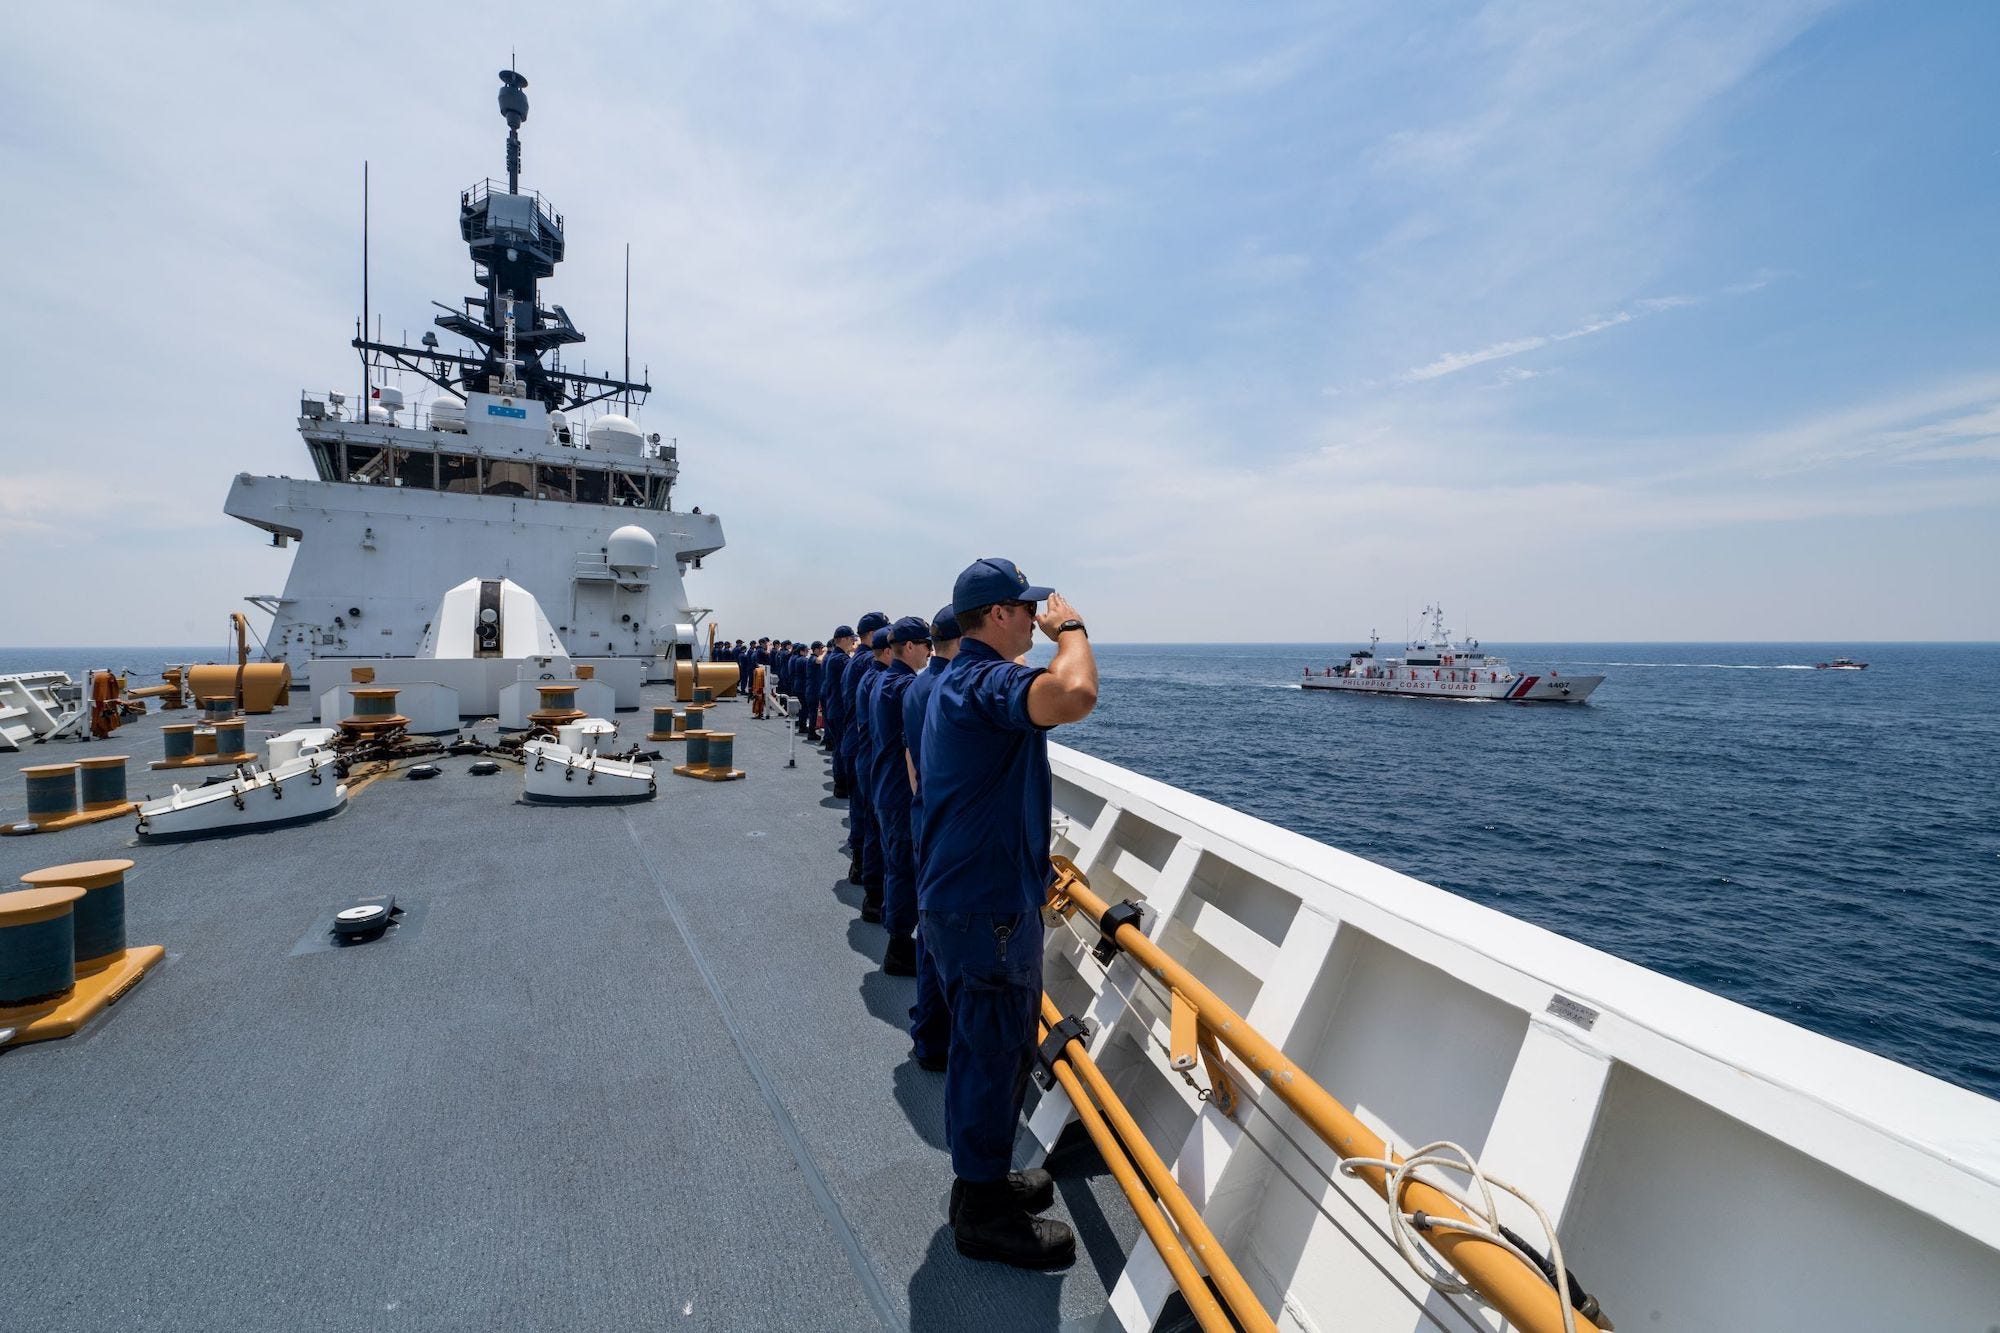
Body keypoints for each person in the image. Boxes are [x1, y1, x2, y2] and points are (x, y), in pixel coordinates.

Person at [917, 557, 1096, 1268]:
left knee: (985, 1048)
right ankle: (983, 1212)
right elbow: (1075, 692)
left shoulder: (953, 684)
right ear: (996, 616)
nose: (1034, 617)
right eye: (1024, 609)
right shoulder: (988, 681)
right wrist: (1073, 629)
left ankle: (979, 1183)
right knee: (992, 1052)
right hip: (984, 907)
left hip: (967, 897)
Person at [902, 604, 959, 1069]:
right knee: (943, 938)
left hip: (924, 817)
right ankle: (934, 1037)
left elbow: (910, 757)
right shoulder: (948, 687)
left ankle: (927, 1024)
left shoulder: (918, 685)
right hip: (947, 831)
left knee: (930, 929)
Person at [869, 616, 932, 976]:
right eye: (926, 646)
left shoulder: (883, 680)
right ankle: (898, 948)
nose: (929, 653)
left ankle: (898, 941)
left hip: (883, 785)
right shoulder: (906, 687)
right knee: (904, 871)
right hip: (898, 792)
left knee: (897, 868)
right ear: (909, 647)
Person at [839, 612, 890, 890]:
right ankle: (862, 868)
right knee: (866, 814)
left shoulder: (857, 662)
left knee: (862, 811)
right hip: (863, 748)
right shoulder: (868, 665)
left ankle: (860, 864)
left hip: (855, 744)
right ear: (873, 634)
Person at [850, 624, 895, 919]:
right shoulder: (884, 681)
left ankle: (865, 878)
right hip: (876, 764)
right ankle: (875, 900)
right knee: (879, 833)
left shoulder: (870, 676)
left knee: (869, 824)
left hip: (865, 757)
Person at [821, 626, 855, 785]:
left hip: (834, 707)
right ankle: (842, 784)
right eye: (851, 639)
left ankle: (840, 782)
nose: (853, 642)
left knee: (838, 748)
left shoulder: (833, 657)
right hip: (840, 710)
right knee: (843, 748)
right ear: (844, 639)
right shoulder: (840, 660)